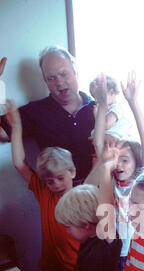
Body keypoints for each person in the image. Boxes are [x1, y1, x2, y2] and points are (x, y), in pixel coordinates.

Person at [6, 100, 80, 271]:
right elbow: (19, 163)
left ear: (72, 172)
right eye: (49, 181)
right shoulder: (43, 192)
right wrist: (17, 126)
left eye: (60, 178)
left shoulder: (81, 199)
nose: (55, 185)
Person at [87, 72, 144, 271]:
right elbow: (98, 143)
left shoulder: (142, 182)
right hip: (117, 253)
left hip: (140, 251)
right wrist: (102, 105)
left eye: (125, 160)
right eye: (117, 160)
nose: (120, 165)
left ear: (136, 163)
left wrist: (133, 102)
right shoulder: (110, 181)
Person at [0, 48, 95, 182]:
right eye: (51, 78)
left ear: (76, 72)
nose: (59, 82)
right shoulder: (36, 112)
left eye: (64, 74)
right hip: (57, 199)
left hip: (99, 193)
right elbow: (2, 132)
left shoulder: (99, 109)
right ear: (45, 81)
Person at [89, 74, 132, 141]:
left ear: (111, 92)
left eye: (99, 96)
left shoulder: (116, 108)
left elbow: (106, 125)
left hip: (118, 139)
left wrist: (97, 114)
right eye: (94, 97)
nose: (96, 100)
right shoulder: (106, 107)